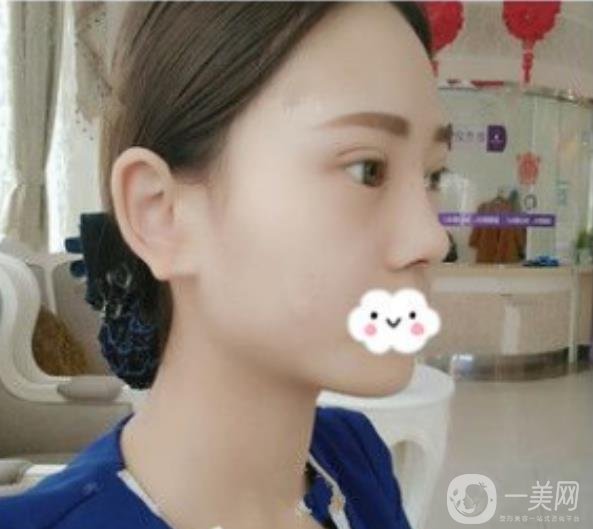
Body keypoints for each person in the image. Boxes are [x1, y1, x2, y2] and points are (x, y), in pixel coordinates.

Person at [0, 2, 451, 529]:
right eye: (367, 169)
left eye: (432, 176)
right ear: (159, 213)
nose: (432, 238)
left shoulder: (356, 462)